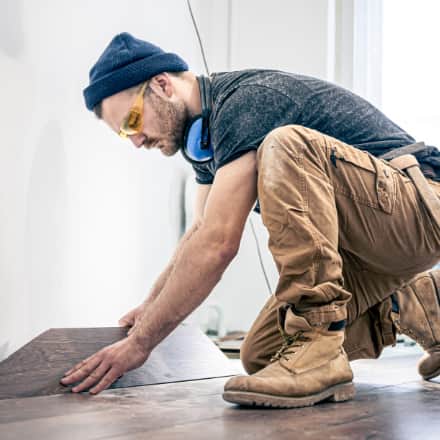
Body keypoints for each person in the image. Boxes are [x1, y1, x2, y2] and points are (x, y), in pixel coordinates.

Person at [61, 32, 440, 407]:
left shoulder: (245, 103)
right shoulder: (205, 143)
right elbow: (199, 230)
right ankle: (420, 307)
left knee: (285, 144)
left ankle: (319, 345)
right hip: (369, 243)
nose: (136, 141)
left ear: (162, 85)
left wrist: (140, 344)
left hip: (421, 205)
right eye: (124, 134)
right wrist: (150, 304)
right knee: (264, 353)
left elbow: (217, 242)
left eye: (132, 121)